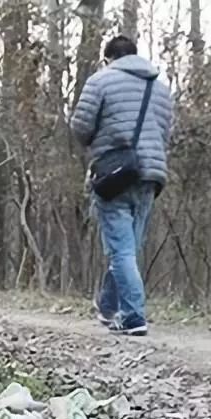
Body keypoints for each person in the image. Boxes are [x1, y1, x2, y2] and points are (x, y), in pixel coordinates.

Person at [70, 35, 173, 337]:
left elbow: (80, 126)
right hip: (150, 175)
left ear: (108, 58)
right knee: (128, 247)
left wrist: (102, 140)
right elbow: (167, 133)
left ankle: (133, 316)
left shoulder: (100, 81)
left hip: (114, 174)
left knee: (121, 251)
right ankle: (107, 306)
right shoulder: (161, 89)